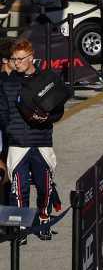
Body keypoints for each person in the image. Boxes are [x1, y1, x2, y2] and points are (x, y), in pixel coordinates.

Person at [0, 39, 63, 239]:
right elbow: (2, 113)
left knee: (45, 186)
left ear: (31, 58)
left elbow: (58, 109)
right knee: (19, 189)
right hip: (17, 143)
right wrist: (10, 131)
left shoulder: (46, 78)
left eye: (20, 59)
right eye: (13, 59)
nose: (16, 63)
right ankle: (22, 228)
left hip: (42, 141)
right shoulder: (7, 83)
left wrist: (47, 118)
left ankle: (44, 219)